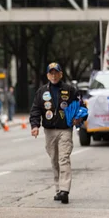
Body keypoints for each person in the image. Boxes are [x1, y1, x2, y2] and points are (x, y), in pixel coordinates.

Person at [29, 63, 84, 204]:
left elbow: (81, 106)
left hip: (65, 130)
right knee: (54, 160)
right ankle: (58, 189)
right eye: (51, 73)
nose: (54, 76)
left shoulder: (70, 90)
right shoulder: (41, 92)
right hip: (49, 131)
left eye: (56, 73)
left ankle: (65, 190)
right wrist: (35, 125)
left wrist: (79, 117)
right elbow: (35, 109)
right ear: (48, 75)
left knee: (63, 158)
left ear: (61, 74)